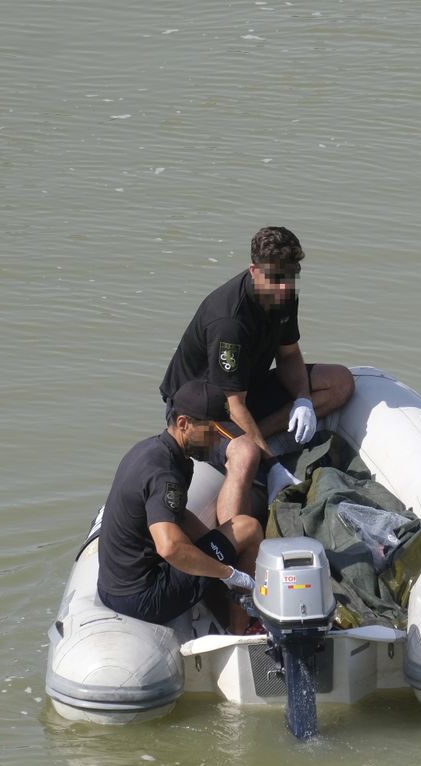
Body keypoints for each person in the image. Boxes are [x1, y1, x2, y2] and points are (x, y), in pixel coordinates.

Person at [158, 225, 355, 517]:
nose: (284, 287)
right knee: (246, 455)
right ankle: (232, 532)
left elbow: (289, 355)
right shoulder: (230, 322)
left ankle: (260, 433)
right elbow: (233, 404)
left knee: (339, 382)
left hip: (247, 387)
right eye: (275, 278)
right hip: (206, 409)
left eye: (290, 277)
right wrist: (272, 465)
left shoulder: (284, 296)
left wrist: (302, 399)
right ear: (254, 270)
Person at [98, 381, 264, 629]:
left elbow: (178, 515)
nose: (218, 440)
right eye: (211, 431)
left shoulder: (152, 450)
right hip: (145, 597)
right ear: (184, 423)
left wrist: (221, 547)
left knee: (231, 538)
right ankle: (242, 631)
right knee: (248, 528)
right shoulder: (165, 473)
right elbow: (170, 547)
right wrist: (228, 573)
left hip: (113, 587)